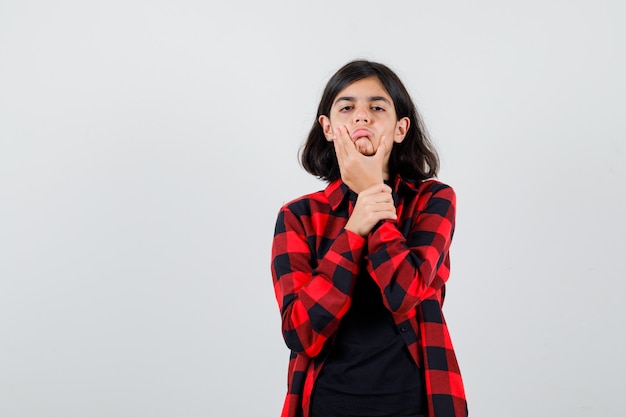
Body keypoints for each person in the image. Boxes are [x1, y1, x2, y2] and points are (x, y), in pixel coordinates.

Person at [271, 60, 468, 417]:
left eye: (377, 107)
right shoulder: (297, 217)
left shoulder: (434, 200)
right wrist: (354, 229)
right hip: (326, 403)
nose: (362, 117)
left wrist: (371, 194)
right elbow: (300, 332)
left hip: (418, 402)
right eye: (347, 108)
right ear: (328, 128)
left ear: (400, 128)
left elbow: (405, 293)